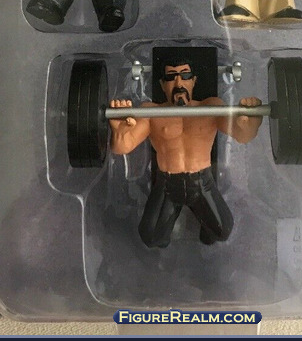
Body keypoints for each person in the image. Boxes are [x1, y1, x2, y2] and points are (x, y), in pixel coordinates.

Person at [110, 54, 262, 248]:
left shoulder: (211, 107)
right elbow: (122, 147)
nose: (179, 83)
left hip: (201, 182)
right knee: (150, 236)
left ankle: (206, 235)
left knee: (222, 231)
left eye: (185, 75)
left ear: (193, 81)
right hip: (167, 184)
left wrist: (250, 124)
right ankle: (164, 245)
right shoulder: (150, 112)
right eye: (171, 77)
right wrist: (119, 132)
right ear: (163, 84)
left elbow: (242, 135)